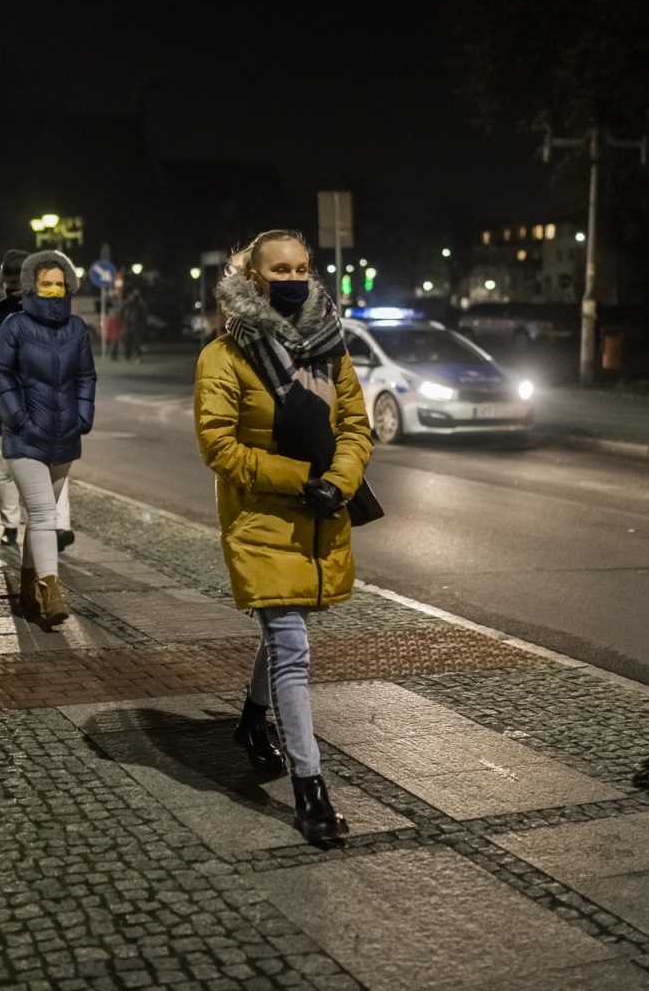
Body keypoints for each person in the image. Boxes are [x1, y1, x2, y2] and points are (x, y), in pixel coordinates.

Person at [194, 229, 372, 845]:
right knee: (291, 646)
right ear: (253, 279)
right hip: (259, 518)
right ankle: (310, 792)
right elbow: (220, 446)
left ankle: (250, 720)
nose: (294, 278)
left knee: (284, 628)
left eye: (302, 267)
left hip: (323, 511)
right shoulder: (224, 355)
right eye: (280, 269)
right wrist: (300, 479)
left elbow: (355, 426)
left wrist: (340, 482)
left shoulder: (329, 347)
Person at [0, 250, 96, 627]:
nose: (52, 290)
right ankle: (51, 591)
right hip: (24, 439)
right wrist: (17, 416)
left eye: (59, 284)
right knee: (45, 514)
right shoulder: (14, 326)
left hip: (64, 439)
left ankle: (28, 587)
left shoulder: (77, 328)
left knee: (40, 517)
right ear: (32, 285)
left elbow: (86, 377)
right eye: (45, 283)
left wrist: (83, 417)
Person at [0, 250, 30, 545]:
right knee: (8, 467)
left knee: (45, 468)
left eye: (16, 281)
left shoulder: (45, 310)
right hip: (9, 402)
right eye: (8, 281)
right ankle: (11, 525)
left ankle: (53, 525)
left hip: (37, 401)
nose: (11, 288)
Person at [120, 288, 148, 362]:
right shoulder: (126, 305)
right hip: (128, 326)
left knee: (136, 343)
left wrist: (142, 326)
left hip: (136, 326)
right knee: (127, 343)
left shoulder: (140, 305)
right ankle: (127, 357)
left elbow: (143, 316)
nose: (132, 298)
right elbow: (121, 313)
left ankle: (137, 357)